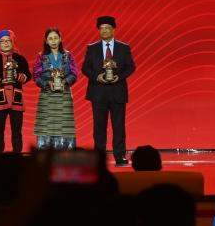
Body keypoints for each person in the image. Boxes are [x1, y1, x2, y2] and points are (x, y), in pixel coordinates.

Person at [81, 16, 136, 167]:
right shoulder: (92, 48)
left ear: (113, 29)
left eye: (107, 28)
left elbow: (131, 67)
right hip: (98, 92)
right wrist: (96, 77)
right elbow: (85, 68)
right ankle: (99, 158)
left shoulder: (123, 48)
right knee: (99, 127)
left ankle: (120, 156)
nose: (104, 31)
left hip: (118, 92)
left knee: (119, 126)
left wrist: (120, 76)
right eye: (101, 28)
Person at [0, 30, 31, 153]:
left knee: (17, 132)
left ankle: (17, 158)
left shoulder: (20, 59)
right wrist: (0, 81)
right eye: (2, 41)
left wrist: (18, 77)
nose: (5, 43)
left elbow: (28, 76)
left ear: (12, 42)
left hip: (16, 99)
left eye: (8, 40)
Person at [31, 28, 79, 150]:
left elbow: (74, 74)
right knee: (46, 126)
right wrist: (47, 83)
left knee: (65, 126)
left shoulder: (68, 55)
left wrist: (65, 81)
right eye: (50, 38)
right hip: (47, 96)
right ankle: (45, 155)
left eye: (55, 38)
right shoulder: (41, 57)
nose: (53, 41)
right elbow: (36, 76)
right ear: (46, 41)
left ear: (60, 39)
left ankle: (66, 156)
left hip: (64, 95)